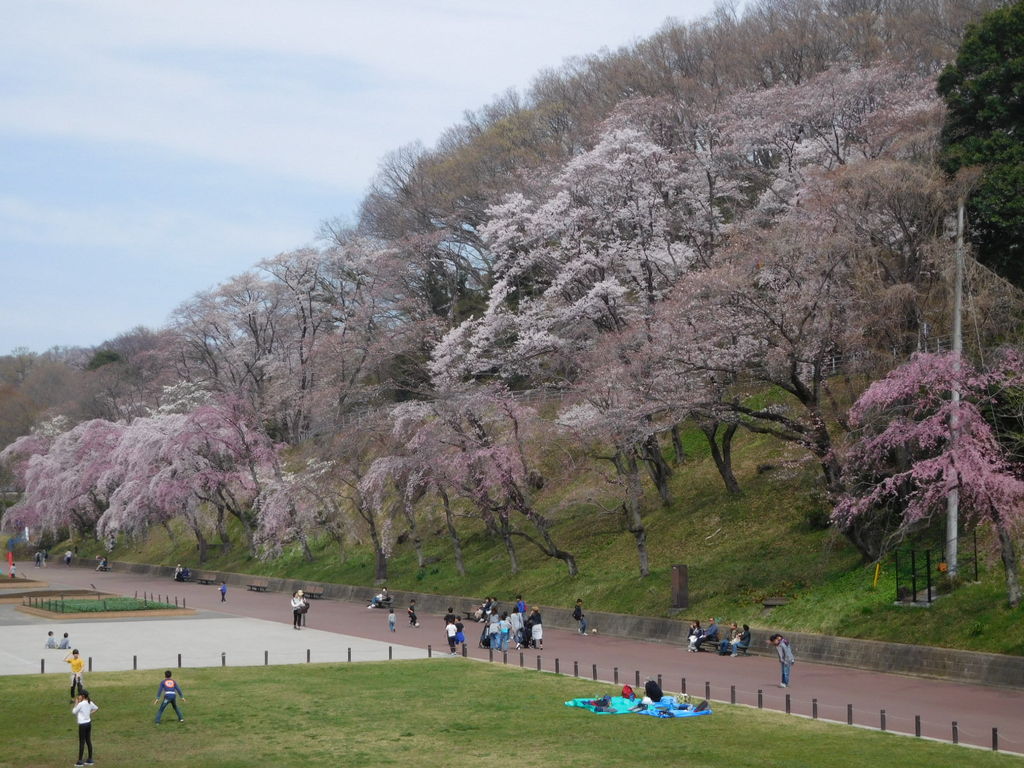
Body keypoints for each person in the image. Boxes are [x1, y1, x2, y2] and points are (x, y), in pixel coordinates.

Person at [72, 689, 98, 766]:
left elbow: (74, 712)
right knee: (88, 741)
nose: (78, 696)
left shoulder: (81, 704)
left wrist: (76, 703)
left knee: (82, 742)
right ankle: (90, 759)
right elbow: (96, 708)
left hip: (82, 725)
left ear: (83, 696)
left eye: (79, 695)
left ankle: (80, 761)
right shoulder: (89, 702)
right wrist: (89, 713)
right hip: (88, 723)